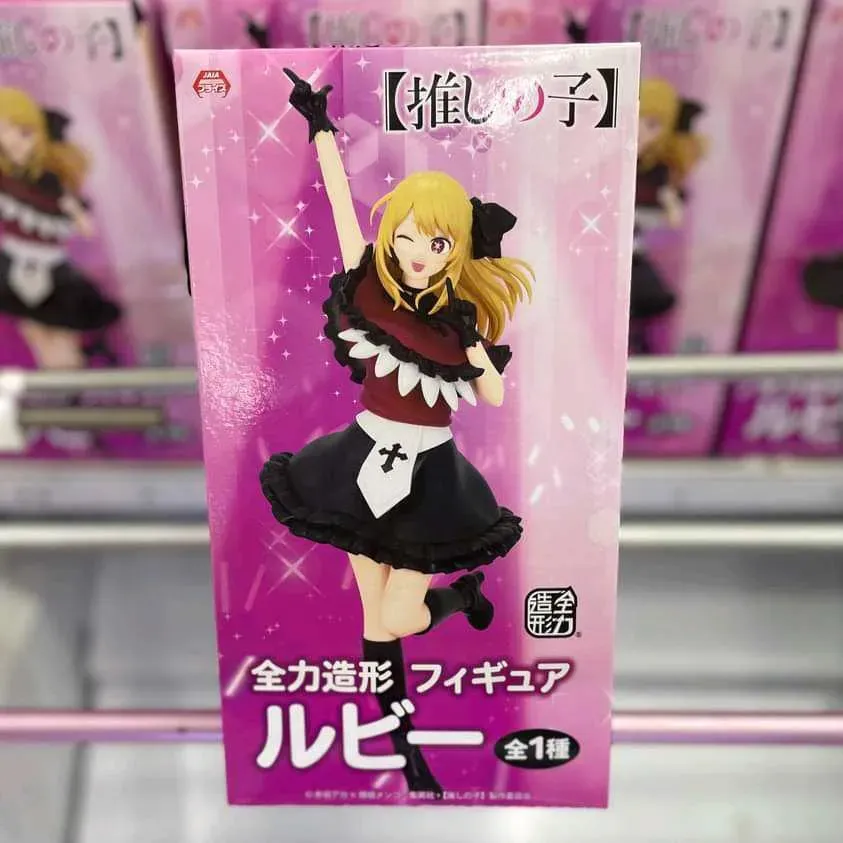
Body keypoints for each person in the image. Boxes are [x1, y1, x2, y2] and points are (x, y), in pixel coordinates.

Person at [261, 69, 534, 796]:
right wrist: (319, 128)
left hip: (428, 475)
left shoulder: (455, 327)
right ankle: (404, 749)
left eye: (435, 241)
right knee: (374, 621)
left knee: (398, 612)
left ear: (455, 250)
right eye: (408, 233)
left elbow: (491, 390)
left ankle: (460, 597)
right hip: (358, 460)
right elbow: (343, 210)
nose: (416, 249)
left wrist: (474, 347)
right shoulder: (372, 289)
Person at [0, 87, 120, 371]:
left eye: (23, 133)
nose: (13, 142)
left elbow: (84, 226)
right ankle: (61, 388)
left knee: (62, 336)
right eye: (4, 133)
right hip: (13, 265)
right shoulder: (6, 182)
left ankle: (74, 387)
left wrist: (74, 211)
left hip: (52, 268)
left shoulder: (52, 182)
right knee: (37, 334)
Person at [631, 77, 705, 354]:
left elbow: (673, 216)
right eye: (636, 120)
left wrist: (669, 203)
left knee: (646, 299)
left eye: (652, 125)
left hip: (632, 250)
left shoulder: (657, 174)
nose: (641, 131)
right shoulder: (607, 161)